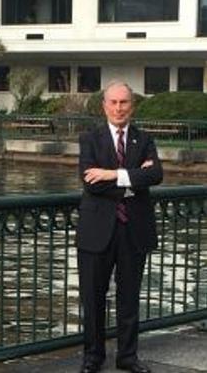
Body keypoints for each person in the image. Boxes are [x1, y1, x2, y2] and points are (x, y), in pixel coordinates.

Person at [77, 81, 163, 373]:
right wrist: (133, 179)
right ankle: (93, 357)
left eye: (124, 102)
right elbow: (91, 183)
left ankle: (127, 357)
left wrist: (112, 173)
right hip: (96, 231)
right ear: (104, 106)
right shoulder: (90, 138)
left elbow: (156, 175)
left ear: (132, 105)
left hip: (133, 230)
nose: (118, 108)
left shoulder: (144, 138)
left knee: (130, 298)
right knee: (93, 298)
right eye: (113, 102)